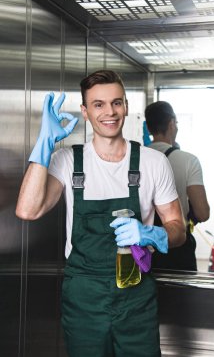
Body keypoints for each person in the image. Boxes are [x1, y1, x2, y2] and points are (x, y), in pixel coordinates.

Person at [15, 70, 186, 357]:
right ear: (85, 111)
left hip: (136, 296)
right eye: (98, 104)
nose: (109, 112)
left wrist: (155, 234)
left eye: (116, 103)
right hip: (84, 299)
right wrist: (43, 143)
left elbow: (178, 228)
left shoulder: (153, 162)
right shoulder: (67, 160)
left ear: (126, 107)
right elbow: (27, 210)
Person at [145, 101, 210, 271]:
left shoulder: (135, 158)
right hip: (178, 247)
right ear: (172, 123)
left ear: (149, 128)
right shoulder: (188, 160)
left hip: (143, 247)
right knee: (180, 296)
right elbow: (202, 213)